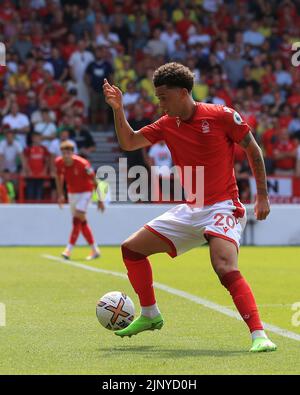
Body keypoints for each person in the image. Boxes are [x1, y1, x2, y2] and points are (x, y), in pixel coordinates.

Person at [103, 62, 277, 352]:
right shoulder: (167, 123)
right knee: (131, 249)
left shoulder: (221, 115)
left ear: (183, 93)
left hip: (223, 205)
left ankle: (259, 334)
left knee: (222, 265)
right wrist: (117, 109)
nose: (160, 103)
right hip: (191, 207)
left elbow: (252, 148)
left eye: (163, 97)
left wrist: (262, 195)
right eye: (158, 97)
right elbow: (129, 141)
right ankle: (149, 314)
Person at [54, 140, 105, 261]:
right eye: (64, 153)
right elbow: (58, 177)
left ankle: (68, 249)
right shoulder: (58, 162)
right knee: (81, 222)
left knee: (77, 217)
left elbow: (94, 181)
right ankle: (95, 249)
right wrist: (61, 195)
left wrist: (100, 199)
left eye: (68, 153)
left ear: (73, 153)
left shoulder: (83, 164)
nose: (66, 156)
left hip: (85, 192)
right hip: (71, 193)